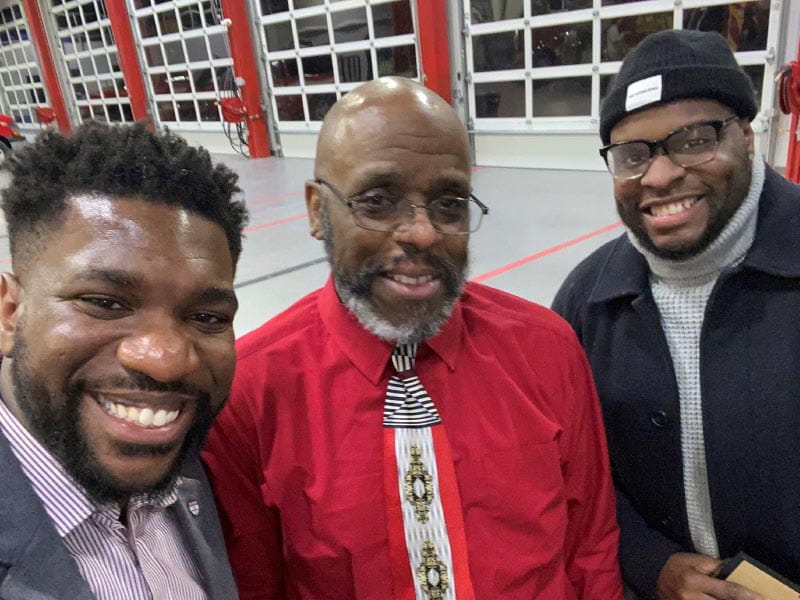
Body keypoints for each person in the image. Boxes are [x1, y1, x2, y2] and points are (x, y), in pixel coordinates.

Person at [202, 76, 622, 600]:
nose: (422, 233)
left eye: (448, 203)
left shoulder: (547, 350)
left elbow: (591, 550)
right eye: (378, 201)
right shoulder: (249, 393)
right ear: (316, 211)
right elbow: (255, 583)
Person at [553, 29, 800, 600]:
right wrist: (651, 563)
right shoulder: (584, 302)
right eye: (633, 155)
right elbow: (570, 471)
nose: (660, 176)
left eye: (693, 140)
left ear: (745, 135)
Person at [0, 122, 248, 600]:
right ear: (11, 313)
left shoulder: (189, 458)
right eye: (105, 303)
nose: (166, 361)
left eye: (206, 317)